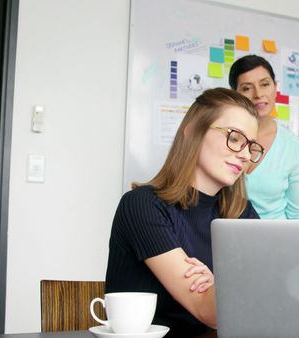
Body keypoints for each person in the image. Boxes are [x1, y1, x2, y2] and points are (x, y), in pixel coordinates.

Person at [105, 88, 264, 337]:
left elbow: (262, 303)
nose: (244, 155)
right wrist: (227, 282)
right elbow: (209, 311)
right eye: (234, 138)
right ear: (192, 132)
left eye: (251, 146)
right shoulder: (142, 206)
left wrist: (218, 282)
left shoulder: (242, 214)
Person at [229, 55, 299, 219]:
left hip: (276, 239)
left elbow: (297, 215)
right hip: (225, 237)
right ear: (234, 94)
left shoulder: (293, 146)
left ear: (275, 88)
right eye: (247, 88)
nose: (258, 94)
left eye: (265, 84)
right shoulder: (221, 136)